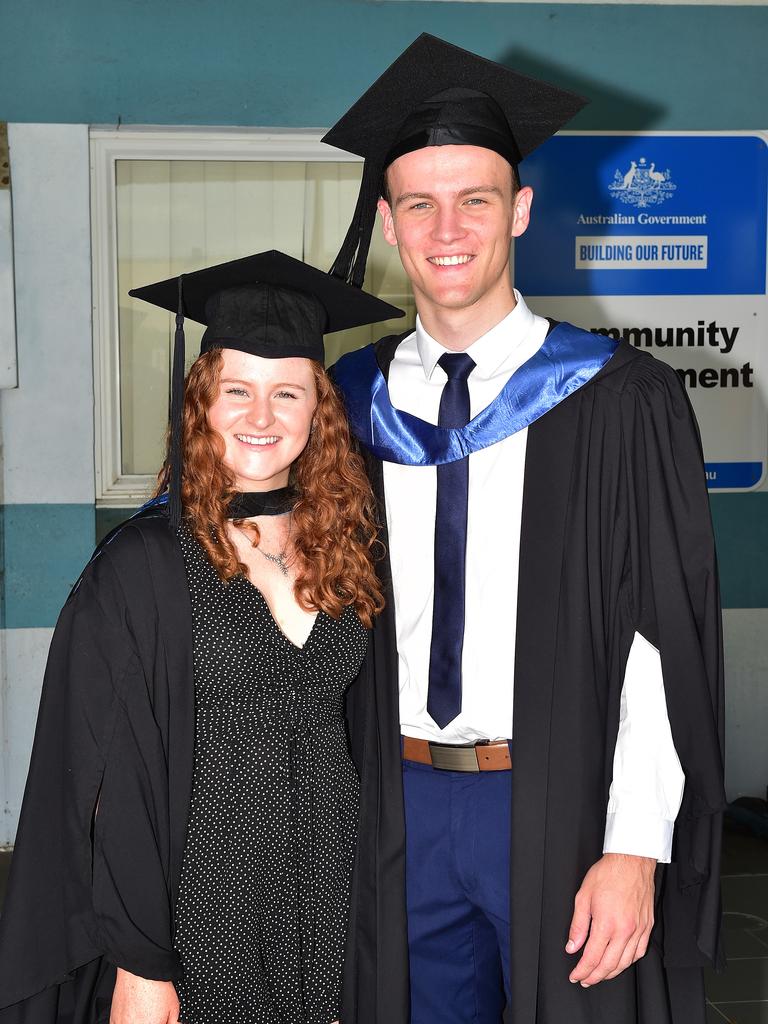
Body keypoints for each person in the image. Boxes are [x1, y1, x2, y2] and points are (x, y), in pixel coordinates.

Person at [325, 35, 726, 1024]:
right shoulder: (343, 404)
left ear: (522, 209)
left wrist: (635, 843)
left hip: (559, 796)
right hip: (393, 802)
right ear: (387, 222)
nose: (447, 226)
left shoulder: (621, 400)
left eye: (475, 198)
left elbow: (658, 646)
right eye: (419, 202)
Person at [0, 251, 403, 1024]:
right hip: (201, 903)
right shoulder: (145, 566)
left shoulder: (348, 545)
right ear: (202, 405)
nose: (261, 416)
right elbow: (105, 784)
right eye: (237, 391)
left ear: (318, 410)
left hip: (332, 888)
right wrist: (141, 963)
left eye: (286, 392)